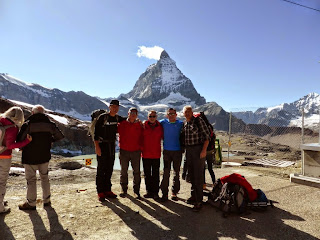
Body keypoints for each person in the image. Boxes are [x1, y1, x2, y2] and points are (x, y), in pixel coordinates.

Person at [16, 105, 64, 210]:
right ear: (43, 113)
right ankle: (46, 201)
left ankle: (31, 203)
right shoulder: (50, 124)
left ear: (32, 113)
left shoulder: (28, 124)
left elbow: (19, 140)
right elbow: (59, 136)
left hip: (29, 156)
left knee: (31, 180)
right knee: (45, 178)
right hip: (44, 155)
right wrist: (50, 140)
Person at [0, 107, 32, 214]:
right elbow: (10, 145)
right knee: (2, 181)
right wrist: (26, 142)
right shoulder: (13, 128)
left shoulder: (0, 120)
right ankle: (0, 207)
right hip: (4, 157)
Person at [94, 99, 125, 201]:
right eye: (113, 107)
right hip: (102, 145)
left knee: (109, 169)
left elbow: (127, 120)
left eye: (116, 107)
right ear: (109, 107)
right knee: (101, 169)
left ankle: (107, 190)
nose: (115, 108)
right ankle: (100, 192)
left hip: (111, 146)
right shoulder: (103, 117)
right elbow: (96, 134)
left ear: (118, 108)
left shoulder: (117, 118)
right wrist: (97, 147)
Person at [182, 105, 210, 212]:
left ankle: (199, 201)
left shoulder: (198, 121)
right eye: (186, 112)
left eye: (189, 111)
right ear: (183, 113)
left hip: (198, 150)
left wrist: (203, 150)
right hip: (189, 151)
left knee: (198, 176)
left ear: (192, 112)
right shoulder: (185, 123)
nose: (187, 113)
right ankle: (193, 196)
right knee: (192, 175)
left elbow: (207, 136)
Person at [118, 107, 143, 199]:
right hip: (124, 151)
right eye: (131, 112)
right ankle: (123, 189)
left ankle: (136, 191)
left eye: (135, 113)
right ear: (128, 113)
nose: (133, 114)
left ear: (137, 115)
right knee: (123, 171)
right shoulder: (122, 123)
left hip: (136, 151)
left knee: (136, 172)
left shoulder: (140, 125)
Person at [159, 108, 183, 201]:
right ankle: (164, 193)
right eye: (169, 114)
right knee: (166, 173)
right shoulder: (163, 122)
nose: (171, 115)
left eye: (173, 114)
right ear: (166, 115)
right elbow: (151, 122)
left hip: (177, 152)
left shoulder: (180, 124)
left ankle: (174, 192)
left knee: (176, 173)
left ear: (176, 115)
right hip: (167, 152)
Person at [142, 110, 163, 199]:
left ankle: (155, 193)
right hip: (145, 154)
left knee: (155, 174)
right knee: (147, 174)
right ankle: (149, 192)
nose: (152, 118)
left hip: (156, 154)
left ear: (156, 117)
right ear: (148, 117)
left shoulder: (160, 126)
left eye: (153, 116)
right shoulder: (143, 126)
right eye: (150, 116)